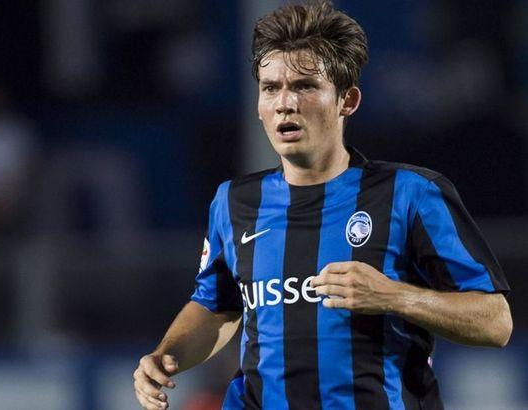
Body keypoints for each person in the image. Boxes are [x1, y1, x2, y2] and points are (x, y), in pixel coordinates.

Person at [133, 1, 513, 409]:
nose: (284, 103)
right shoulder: (234, 201)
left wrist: (394, 297)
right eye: (270, 88)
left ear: (347, 101)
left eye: (304, 86)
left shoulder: (411, 194)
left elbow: (495, 321)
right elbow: (217, 307)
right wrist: (166, 355)